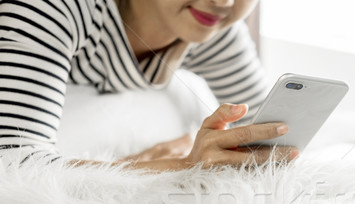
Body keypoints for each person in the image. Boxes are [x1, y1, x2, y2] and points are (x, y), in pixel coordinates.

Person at [0, 0, 298, 171]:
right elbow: (13, 164)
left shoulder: (214, 28)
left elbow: (272, 132)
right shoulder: (53, 9)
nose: (223, 3)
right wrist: (177, 167)